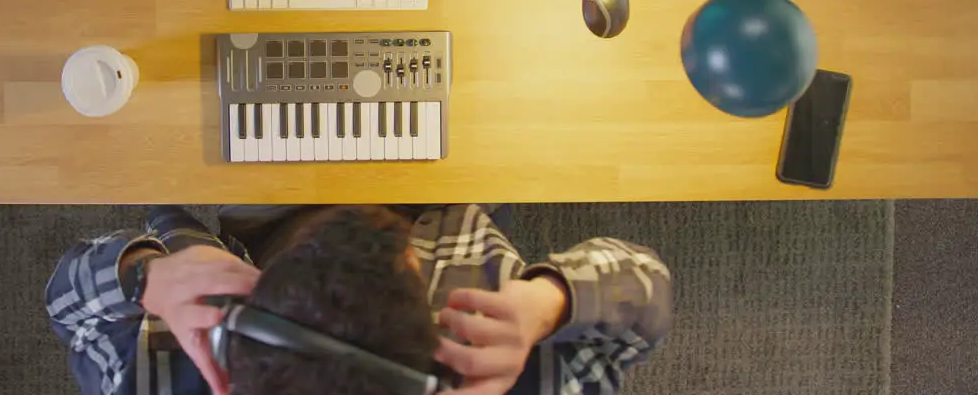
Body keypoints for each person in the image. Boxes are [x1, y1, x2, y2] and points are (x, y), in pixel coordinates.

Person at [46, 205, 671, 395]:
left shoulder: (149, 373)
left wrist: (146, 277)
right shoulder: (516, 368)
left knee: (174, 213)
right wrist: (550, 301)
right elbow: (646, 286)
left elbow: (65, 303)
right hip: (435, 200)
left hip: (243, 231)